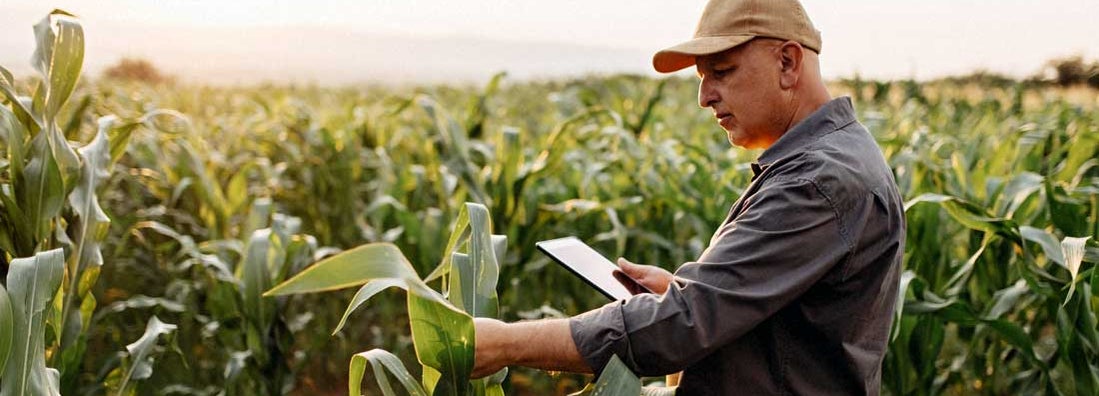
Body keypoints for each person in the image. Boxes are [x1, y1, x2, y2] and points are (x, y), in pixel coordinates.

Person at [472, 0, 905, 394]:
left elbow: (680, 326)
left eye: (721, 71)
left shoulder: (817, 181)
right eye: (702, 77)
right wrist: (691, 293)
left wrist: (504, 343)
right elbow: (786, 326)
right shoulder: (830, 160)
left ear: (788, 63)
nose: (704, 97)